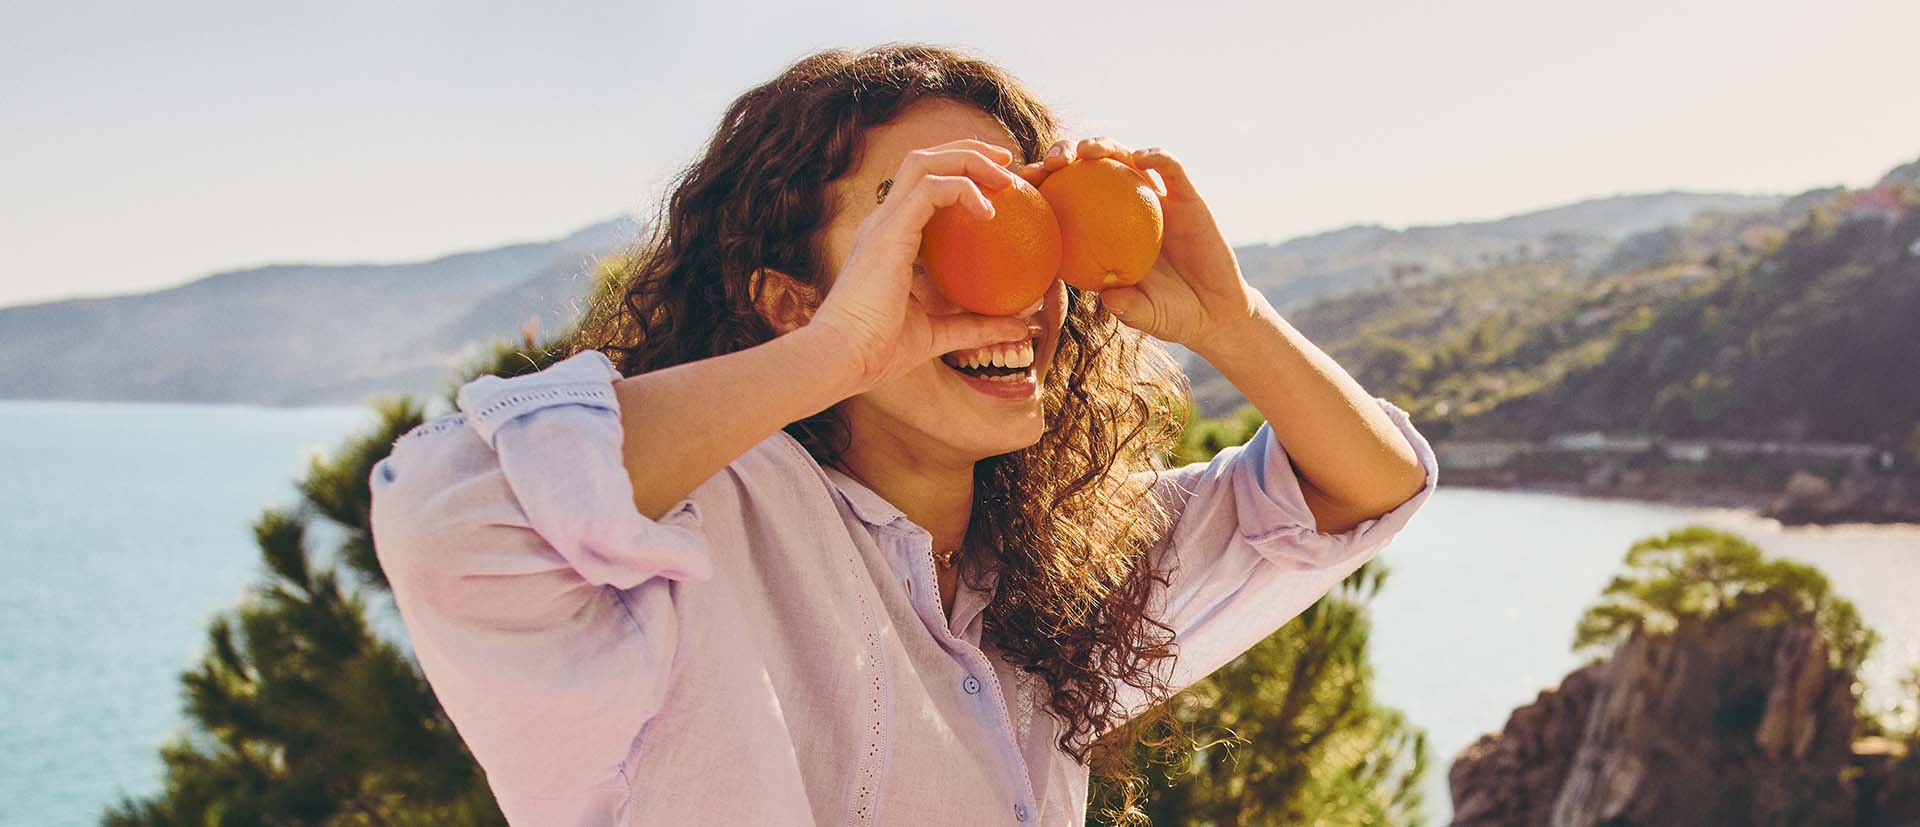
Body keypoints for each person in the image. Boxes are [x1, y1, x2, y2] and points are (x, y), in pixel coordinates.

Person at [367, 43, 1438, 827]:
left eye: (1023, 218)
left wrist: (1230, 322)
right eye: (929, 222)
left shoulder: (1056, 569)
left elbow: (1360, 488)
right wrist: (834, 354)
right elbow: (451, 513)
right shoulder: (695, 533)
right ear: (790, 299)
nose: (1008, 279)